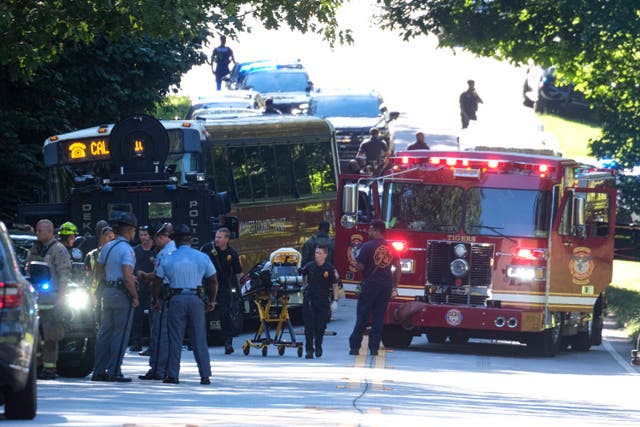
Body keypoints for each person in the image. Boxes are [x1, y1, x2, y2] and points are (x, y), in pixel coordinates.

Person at [155, 224, 218, 385]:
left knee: (175, 338)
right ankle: (205, 375)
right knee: (199, 338)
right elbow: (212, 280)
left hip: (176, 299)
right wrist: (211, 300)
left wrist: (156, 300)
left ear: (175, 241)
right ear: (190, 240)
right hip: (196, 298)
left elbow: (157, 281)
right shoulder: (202, 257)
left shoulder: (167, 258)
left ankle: (173, 375)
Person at [91, 212, 140, 382]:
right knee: (120, 333)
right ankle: (114, 371)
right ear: (130, 230)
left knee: (105, 332)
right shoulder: (127, 250)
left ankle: (98, 370)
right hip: (121, 294)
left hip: (107, 292)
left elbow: (98, 271)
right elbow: (127, 276)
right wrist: (134, 296)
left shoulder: (107, 247)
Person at [26, 219, 72, 380]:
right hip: (35, 300)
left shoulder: (58, 250)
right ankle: (38, 366)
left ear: (50, 232)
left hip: (52, 300)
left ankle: (50, 369)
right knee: (35, 337)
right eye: (36, 230)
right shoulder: (35, 248)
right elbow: (28, 270)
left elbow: (64, 276)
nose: (37, 233)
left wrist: (61, 299)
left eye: (40, 231)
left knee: (51, 336)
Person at [348, 220, 400, 356]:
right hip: (386, 286)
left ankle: (355, 346)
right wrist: (395, 285)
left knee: (362, 316)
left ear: (376, 230)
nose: (368, 231)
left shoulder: (366, 246)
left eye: (370, 229)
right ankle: (374, 348)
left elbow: (362, 267)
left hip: (370, 285)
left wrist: (354, 264)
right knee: (378, 317)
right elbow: (398, 266)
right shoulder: (391, 247)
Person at [138, 222, 174, 380]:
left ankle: (159, 369)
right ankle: (160, 368)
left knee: (161, 335)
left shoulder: (166, 253)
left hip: (164, 295)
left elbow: (159, 278)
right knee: (162, 334)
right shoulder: (170, 250)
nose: (152, 242)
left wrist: (154, 299)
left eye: (154, 239)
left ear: (161, 237)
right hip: (171, 295)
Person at [200, 227, 243, 355]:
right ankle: (202, 340)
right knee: (202, 312)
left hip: (223, 286)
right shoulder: (207, 249)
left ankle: (228, 342)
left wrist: (241, 291)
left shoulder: (232, 253)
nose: (216, 239)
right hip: (207, 284)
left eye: (220, 237)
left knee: (225, 313)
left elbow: (238, 273)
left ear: (226, 239)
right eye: (216, 237)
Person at [300, 245, 340, 359]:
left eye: (319, 253)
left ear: (325, 255)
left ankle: (318, 345)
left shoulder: (329, 268)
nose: (317, 255)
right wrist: (305, 287)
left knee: (320, 326)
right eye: (316, 252)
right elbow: (303, 277)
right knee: (309, 326)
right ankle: (309, 350)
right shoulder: (309, 266)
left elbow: (335, 284)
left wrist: (335, 300)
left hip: (323, 300)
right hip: (310, 299)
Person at [130, 225, 155, 352]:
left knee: (153, 317)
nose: (143, 237)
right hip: (138, 287)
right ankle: (136, 342)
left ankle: (152, 344)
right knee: (137, 316)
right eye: (141, 235)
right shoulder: (135, 251)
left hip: (152, 288)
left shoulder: (156, 250)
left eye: (145, 235)